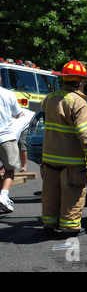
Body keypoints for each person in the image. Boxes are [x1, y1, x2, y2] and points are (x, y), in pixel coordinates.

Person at [40, 60, 87, 236]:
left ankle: (49, 224)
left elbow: (45, 108)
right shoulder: (79, 103)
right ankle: (70, 227)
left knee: (50, 192)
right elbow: (84, 133)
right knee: (73, 192)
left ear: (64, 79)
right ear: (80, 82)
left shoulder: (50, 98)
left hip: (50, 158)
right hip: (72, 160)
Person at [0, 75, 22, 212]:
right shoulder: (9, 94)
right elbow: (17, 114)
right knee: (9, 169)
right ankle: (3, 195)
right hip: (6, 137)